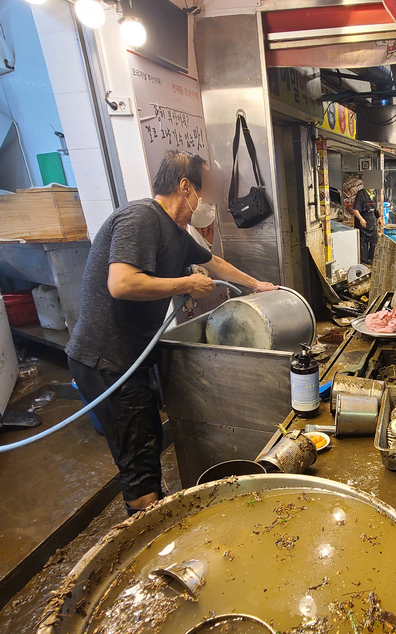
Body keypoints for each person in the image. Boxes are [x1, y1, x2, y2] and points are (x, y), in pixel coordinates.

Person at [66, 151, 277, 516]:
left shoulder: (176, 233)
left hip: (132, 356)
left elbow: (215, 263)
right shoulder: (140, 218)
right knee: (137, 459)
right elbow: (121, 283)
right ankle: (146, 532)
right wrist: (186, 282)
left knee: (146, 440)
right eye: (206, 189)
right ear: (185, 187)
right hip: (106, 359)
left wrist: (257, 284)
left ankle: (152, 506)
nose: (208, 199)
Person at [352, 181, 380, 264]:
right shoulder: (361, 194)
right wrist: (361, 219)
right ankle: (364, 261)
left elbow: (375, 210)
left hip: (372, 220)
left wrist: (379, 218)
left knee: (374, 240)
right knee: (363, 242)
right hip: (363, 220)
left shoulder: (373, 193)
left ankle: (372, 259)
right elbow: (355, 209)